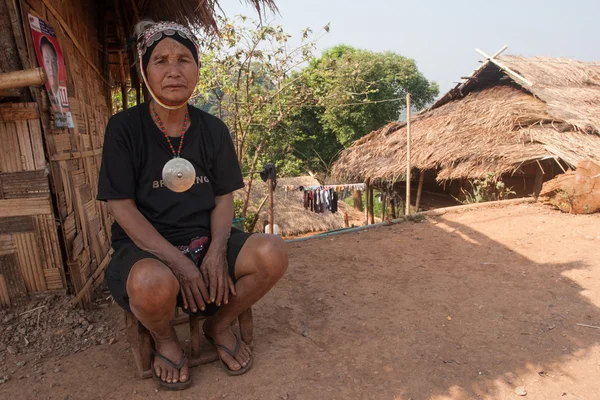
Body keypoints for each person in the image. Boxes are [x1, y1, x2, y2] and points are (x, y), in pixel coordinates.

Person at [97, 20, 288, 391]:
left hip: (206, 237)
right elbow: (121, 207)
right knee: (152, 282)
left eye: (184, 59)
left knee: (273, 252)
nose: (173, 71)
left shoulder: (213, 129)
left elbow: (222, 197)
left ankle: (220, 323)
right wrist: (179, 262)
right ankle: (165, 338)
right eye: (161, 61)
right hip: (145, 248)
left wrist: (216, 249)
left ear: (197, 68)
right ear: (144, 70)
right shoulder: (123, 129)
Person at [40, 36, 61, 108]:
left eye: (53, 61)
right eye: (47, 61)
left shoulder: (62, 95)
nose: (51, 67)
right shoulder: (45, 95)